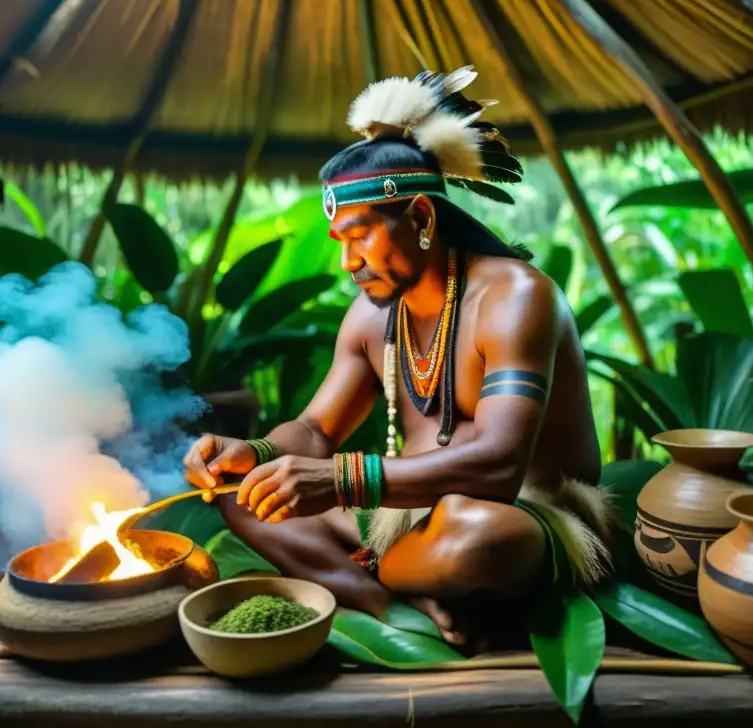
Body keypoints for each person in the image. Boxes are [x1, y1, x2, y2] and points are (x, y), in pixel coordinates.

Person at [183, 66, 614, 647]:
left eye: (360, 235)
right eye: (340, 241)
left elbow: (498, 466)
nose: (347, 262)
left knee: (474, 534)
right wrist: (252, 452)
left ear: (421, 218)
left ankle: (384, 577)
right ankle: (389, 595)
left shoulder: (515, 297)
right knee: (242, 494)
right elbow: (314, 429)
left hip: (521, 513)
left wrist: (339, 481)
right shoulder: (370, 315)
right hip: (407, 518)